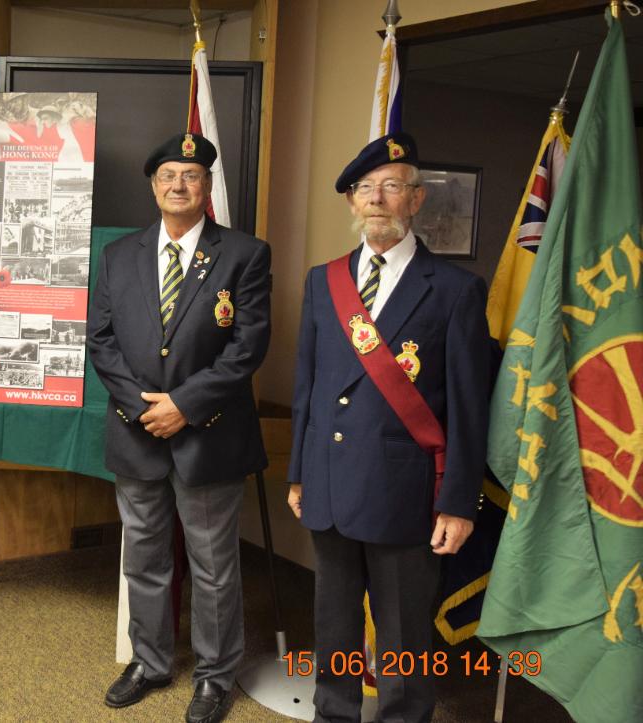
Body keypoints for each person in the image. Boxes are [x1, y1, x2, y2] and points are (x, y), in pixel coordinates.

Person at [286, 133, 492, 723]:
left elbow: (468, 407)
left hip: (406, 493)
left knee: (404, 637)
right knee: (333, 625)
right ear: (352, 202)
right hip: (327, 484)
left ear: (417, 200)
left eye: (391, 187)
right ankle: (334, 714)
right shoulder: (323, 282)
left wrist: (458, 503)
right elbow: (309, 388)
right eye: (365, 189)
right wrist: (299, 473)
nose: (377, 199)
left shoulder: (455, 291)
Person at [87, 133, 271, 723]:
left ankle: (217, 677)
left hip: (209, 434)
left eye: (190, 176)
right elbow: (103, 341)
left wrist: (184, 405)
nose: (178, 185)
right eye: (168, 175)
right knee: (143, 556)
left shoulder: (244, 254)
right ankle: (150, 660)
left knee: (213, 563)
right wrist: (145, 408)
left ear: (207, 186)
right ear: (153, 185)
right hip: (137, 430)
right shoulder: (120, 254)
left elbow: (246, 348)